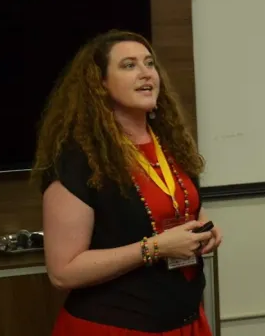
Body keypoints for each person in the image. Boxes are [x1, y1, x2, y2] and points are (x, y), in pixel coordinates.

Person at [31, 30, 223, 335]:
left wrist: (203, 227)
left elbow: (180, 207)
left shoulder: (173, 144)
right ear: (100, 84)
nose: (146, 73)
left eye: (149, 63)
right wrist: (154, 248)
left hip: (184, 320)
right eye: (129, 65)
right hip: (115, 326)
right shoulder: (78, 160)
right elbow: (62, 272)